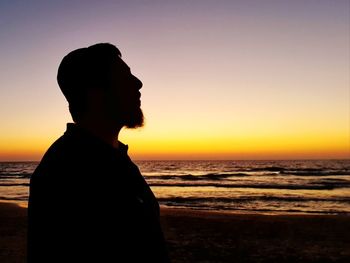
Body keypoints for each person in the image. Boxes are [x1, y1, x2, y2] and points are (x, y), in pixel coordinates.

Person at [27, 43, 170, 262]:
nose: (138, 83)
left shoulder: (118, 158)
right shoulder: (63, 172)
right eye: (125, 76)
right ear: (95, 92)